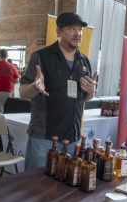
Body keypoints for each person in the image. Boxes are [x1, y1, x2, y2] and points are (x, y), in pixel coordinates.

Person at [20, 12, 97, 170]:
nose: (78, 34)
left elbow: (86, 98)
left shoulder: (84, 61)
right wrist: (35, 86)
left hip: (72, 140)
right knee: (36, 188)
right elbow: (22, 93)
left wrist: (91, 91)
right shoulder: (41, 57)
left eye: (80, 30)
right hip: (45, 140)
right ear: (59, 32)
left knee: (66, 190)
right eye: (72, 29)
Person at [0, 49, 21, 113]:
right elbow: (17, 80)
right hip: (9, 92)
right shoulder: (13, 66)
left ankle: (0, 123)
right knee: (8, 112)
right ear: (7, 56)